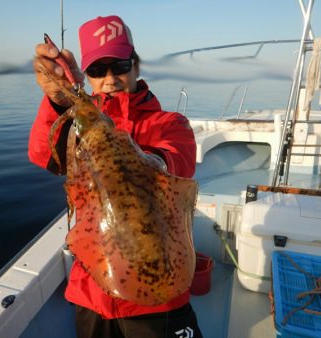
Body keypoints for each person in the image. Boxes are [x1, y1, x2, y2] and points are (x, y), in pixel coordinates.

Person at [29, 15, 202, 338]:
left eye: (119, 66)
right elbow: (44, 156)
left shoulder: (170, 123)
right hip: (93, 290)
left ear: (135, 66)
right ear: (87, 76)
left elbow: (176, 162)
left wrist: (136, 157)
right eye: (97, 70)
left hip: (159, 300)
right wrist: (56, 101)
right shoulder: (80, 125)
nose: (109, 78)